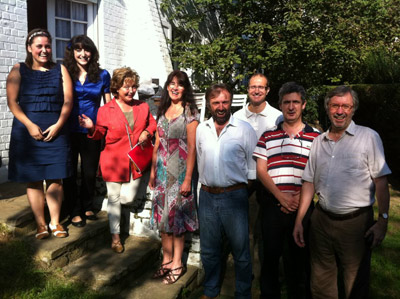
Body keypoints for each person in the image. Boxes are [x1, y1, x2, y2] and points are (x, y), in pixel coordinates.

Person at [293, 86, 391, 298]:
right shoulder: (319, 142)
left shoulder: (369, 137)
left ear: (353, 109)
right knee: (320, 282)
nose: (340, 111)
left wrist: (383, 221)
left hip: (355, 225)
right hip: (321, 221)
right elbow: (309, 182)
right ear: (327, 108)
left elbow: (381, 182)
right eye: (335, 106)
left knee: (354, 284)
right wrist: (300, 220)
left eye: (345, 106)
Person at [253, 82, 320, 299]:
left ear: (303, 105)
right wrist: (281, 197)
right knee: (269, 260)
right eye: (286, 102)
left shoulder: (317, 138)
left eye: (295, 102)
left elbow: (320, 172)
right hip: (273, 207)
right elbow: (261, 171)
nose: (291, 107)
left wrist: (298, 199)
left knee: (299, 263)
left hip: (303, 209)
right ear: (280, 105)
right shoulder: (267, 136)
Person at [79, 67, 156, 253]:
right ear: (116, 88)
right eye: (126, 87)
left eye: (134, 87)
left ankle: (116, 212)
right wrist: (90, 128)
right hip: (113, 160)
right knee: (113, 198)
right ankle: (115, 237)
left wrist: (147, 131)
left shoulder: (142, 106)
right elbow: (99, 134)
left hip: (136, 161)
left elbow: (152, 123)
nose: (131, 91)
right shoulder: (105, 110)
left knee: (127, 197)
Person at [7, 28, 73, 239]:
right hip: (28, 132)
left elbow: (68, 101)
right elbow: (12, 103)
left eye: (47, 46)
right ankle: (41, 224)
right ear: (30, 48)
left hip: (56, 131)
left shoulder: (61, 69)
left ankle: (55, 223)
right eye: (39, 46)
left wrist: (58, 125)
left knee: (56, 178)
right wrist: (29, 125)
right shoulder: (18, 69)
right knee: (34, 179)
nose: (44, 50)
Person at [196, 83, 258, 299]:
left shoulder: (245, 130)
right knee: (209, 250)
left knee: (241, 251)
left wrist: (238, 192)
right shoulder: (201, 129)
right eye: (216, 102)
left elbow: (253, 169)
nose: (221, 107)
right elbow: (200, 161)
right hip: (207, 196)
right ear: (209, 104)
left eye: (225, 102)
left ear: (230, 102)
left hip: (235, 196)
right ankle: (211, 290)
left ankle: (243, 293)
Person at [149, 70, 199, 284]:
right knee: (163, 220)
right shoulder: (162, 110)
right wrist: (152, 171)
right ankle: (166, 261)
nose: (175, 87)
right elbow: (157, 144)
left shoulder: (190, 111)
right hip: (161, 172)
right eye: (171, 83)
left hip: (179, 173)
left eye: (179, 84)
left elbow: (192, 147)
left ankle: (178, 263)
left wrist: (188, 178)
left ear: (185, 88)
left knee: (177, 219)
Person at [63, 35, 111, 227]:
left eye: (87, 50)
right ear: (73, 52)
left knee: (90, 172)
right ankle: (74, 210)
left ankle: (88, 204)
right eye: (78, 50)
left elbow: (108, 105)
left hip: (92, 130)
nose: (83, 54)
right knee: (70, 171)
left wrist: (105, 126)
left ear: (92, 52)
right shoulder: (65, 72)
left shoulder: (103, 74)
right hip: (68, 128)